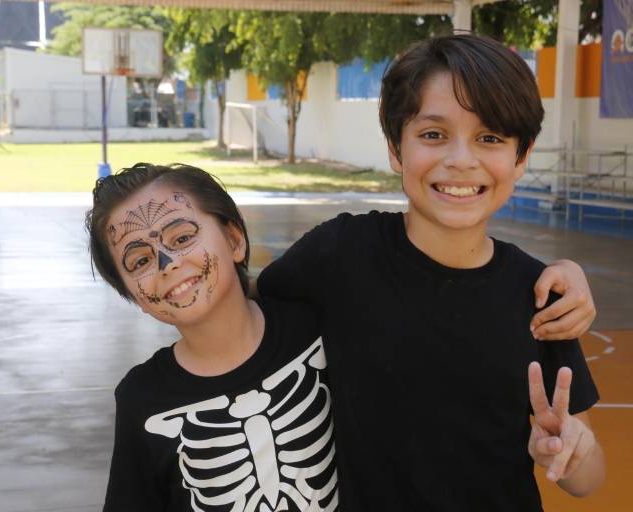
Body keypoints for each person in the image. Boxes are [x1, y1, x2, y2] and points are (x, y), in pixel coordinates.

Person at [255, 34, 605, 510]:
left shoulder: (543, 295)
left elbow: (588, 476)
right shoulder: (339, 253)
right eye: (434, 134)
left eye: (490, 138)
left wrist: (571, 451)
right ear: (396, 148)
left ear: (521, 156)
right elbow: (244, 307)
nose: (461, 160)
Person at [88, 163, 340, 511]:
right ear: (135, 297)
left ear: (234, 240)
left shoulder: (318, 332)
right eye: (140, 261)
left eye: (181, 238)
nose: (167, 264)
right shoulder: (142, 399)